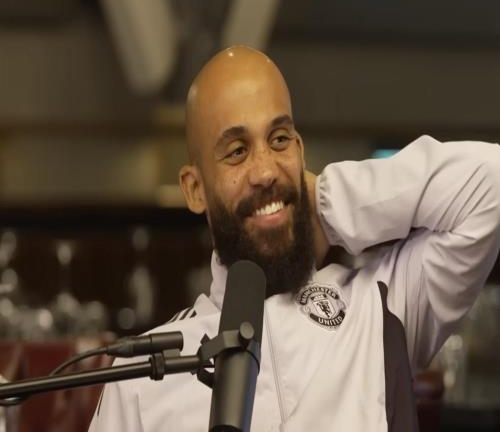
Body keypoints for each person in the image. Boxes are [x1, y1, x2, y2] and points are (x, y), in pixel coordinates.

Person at [89, 46, 500, 431]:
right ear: (195, 189)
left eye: (279, 140)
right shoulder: (142, 377)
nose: (266, 171)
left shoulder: (381, 303)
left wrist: (326, 202)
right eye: (237, 151)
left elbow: (491, 184)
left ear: (300, 153)